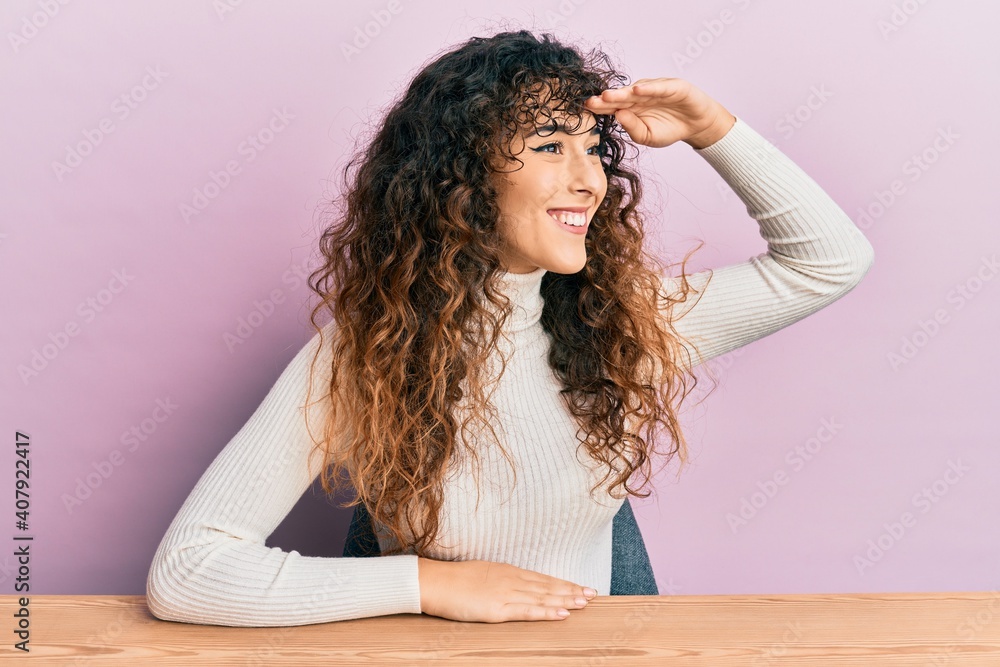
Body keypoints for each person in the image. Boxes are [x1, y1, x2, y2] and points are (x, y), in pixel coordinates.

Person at [146, 29, 874, 627]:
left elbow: (831, 261)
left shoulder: (627, 322)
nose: (589, 180)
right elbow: (189, 571)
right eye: (552, 146)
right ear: (460, 179)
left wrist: (714, 131)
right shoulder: (361, 355)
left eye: (594, 148)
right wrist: (428, 584)